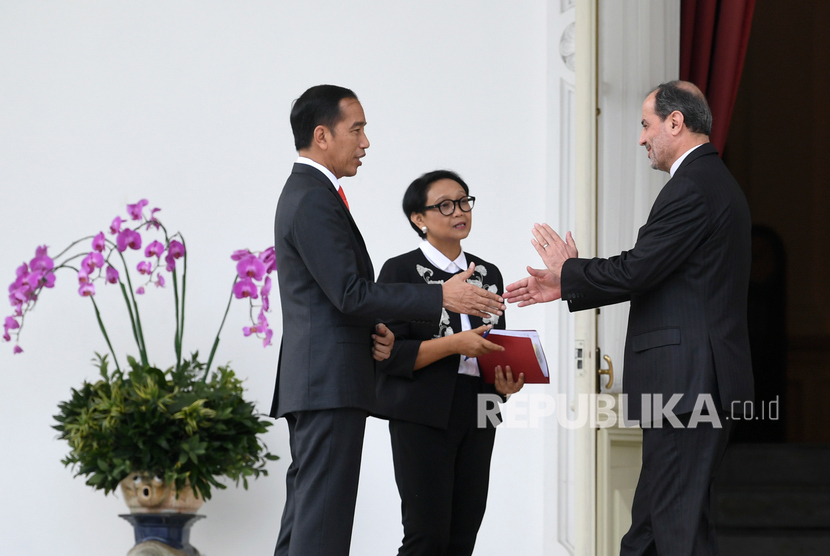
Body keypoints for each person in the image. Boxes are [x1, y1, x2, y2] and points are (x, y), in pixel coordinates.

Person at [504, 81, 753, 555]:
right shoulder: (710, 182)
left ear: (675, 123)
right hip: (693, 384)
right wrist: (566, 284)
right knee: (651, 532)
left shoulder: (693, 187)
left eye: (646, 125)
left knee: (675, 529)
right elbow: (653, 273)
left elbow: (639, 268)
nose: (641, 138)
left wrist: (570, 270)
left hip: (687, 386)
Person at [270, 85, 506, 556]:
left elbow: (341, 298)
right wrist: (439, 295)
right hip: (328, 383)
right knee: (321, 528)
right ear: (322, 135)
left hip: (328, 382)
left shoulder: (313, 193)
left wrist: (373, 327)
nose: (365, 142)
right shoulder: (314, 198)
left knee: (308, 521)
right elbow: (350, 293)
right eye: (356, 129)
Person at [374, 170, 525, 556]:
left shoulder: (488, 273)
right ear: (418, 219)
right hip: (421, 411)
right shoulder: (400, 272)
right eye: (444, 205)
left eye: (463, 201)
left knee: (464, 534)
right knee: (426, 537)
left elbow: (494, 345)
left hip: (479, 409)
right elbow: (389, 356)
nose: (459, 211)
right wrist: (453, 344)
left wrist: (503, 384)